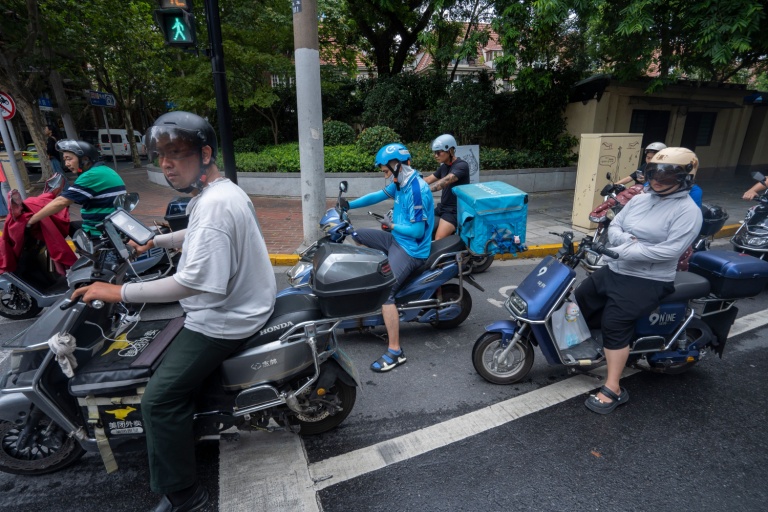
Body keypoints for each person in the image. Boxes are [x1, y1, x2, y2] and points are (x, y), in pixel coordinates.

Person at [71, 111, 277, 512]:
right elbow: (200, 233)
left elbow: (192, 284)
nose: (166, 164)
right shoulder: (220, 193)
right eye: (160, 156)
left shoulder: (214, 205)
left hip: (223, 319)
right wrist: (159, 241)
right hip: (239, 303)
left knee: (158, 401)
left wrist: (117, 291)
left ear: (204, 154)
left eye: (176, 154)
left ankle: (187, 497)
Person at [575, 147, 703, 415]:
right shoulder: (640, 199)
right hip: (616, 268)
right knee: (582, 298)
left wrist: (627, 249)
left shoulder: (687, 211)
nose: (658, 180)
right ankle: (599, 350)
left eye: (667, 176)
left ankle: (613, 387)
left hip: (649, 278)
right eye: (654, 173)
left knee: (615, 321)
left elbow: (669, 251)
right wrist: (628, 242)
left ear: (685, 177)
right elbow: (616, 226)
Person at [341, 143, 434, 372]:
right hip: (395, 240)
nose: (385, 176)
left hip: (411, 249)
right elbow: (376, 196)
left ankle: (395, 351)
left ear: (397, 166)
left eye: (385, 171)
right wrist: (348, 205)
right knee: (356, 234)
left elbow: (418, 232)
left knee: (386, 293)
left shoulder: (416, 190)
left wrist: (391, 225)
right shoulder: (399, 183)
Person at [26, 140, 125, 237]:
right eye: (65, 160)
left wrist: (32, 220)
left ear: (85, 159)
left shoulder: (91, 175)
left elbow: (61, 202)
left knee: (57, 231)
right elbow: (73, 197)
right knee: (71, 226)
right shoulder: (104, 170)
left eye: (69, 159)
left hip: (100, 231)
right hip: (112, 225)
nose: (66, 164)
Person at [423, 134, 470, 240]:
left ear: (450, 150)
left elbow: (442, 183)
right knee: (421, 226)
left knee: (439, 239)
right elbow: (428, 180)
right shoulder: (444, 167)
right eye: (435, 152)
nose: (436, 155)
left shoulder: (462, 166)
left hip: (454, 210)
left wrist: (422, 191)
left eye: (439, 152)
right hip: (442, 207)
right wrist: (409, 184)